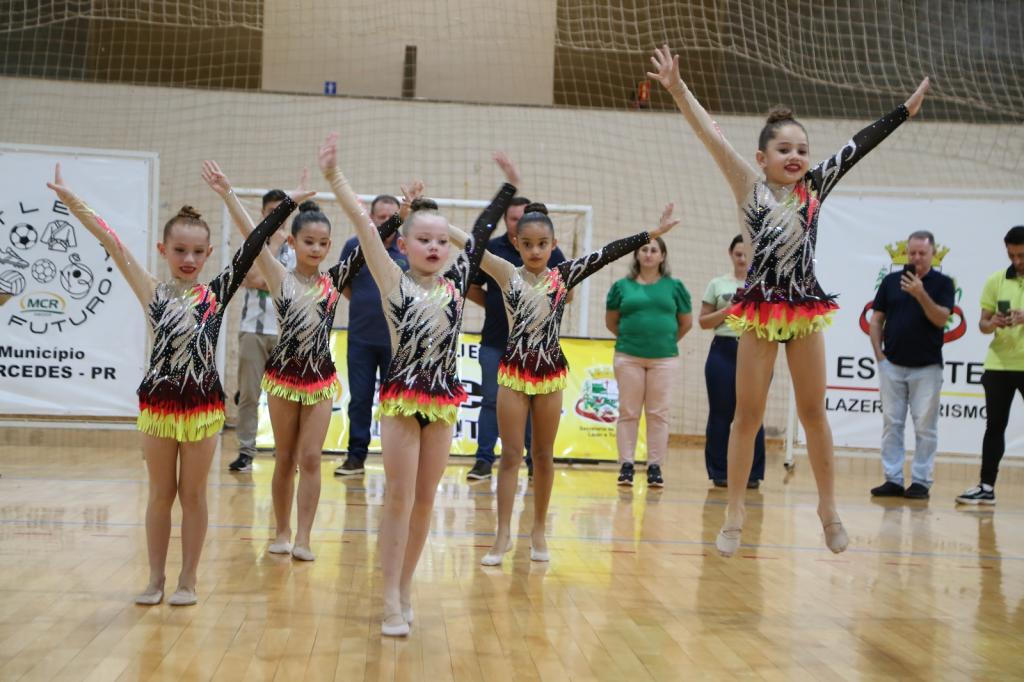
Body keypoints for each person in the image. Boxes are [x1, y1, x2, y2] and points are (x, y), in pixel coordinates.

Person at [648, 44, 929, 556]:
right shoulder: (747, 185)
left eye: (801, 148)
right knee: (747, 415)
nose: (795, 156)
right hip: (759, 310)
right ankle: (734, 512)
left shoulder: (816, 186)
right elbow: (710, 135)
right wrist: (676, 88)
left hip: (803, 308)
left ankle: (828, 508)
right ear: (762, 158)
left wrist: (904, 112)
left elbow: (859, 144)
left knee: (813, 412)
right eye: (783, 149)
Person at [47, 163, 303, 605]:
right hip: (159, 407)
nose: (188, 259)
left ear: (208, 254)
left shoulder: (217, 293)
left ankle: (188, 579)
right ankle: (154, 579)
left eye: (197, 252)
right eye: (180, 250)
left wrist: (273, 202)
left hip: (202, 406)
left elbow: (255, 242)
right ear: (163, 250)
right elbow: (110, 240)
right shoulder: (151, 290)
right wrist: (72, 202)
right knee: (161, 495)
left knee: (193, 495)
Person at [320, 132, 518, 636]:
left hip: (443, 404)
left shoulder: (456, 283)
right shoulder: (393, 280)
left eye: (440, 240)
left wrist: (507, 189)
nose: (433, 246)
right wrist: (334, 177)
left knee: (426, 500)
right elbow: (365, 228)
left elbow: (480, 232)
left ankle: (405, 586)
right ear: (403, 246)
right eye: (423, 239)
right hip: (403, 403)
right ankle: (388, 596)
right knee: (399, 499)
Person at [204, 161, 409, 561]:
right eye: (308, 241)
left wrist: (401, 214)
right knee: (284, 458)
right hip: (283, 379)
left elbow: (372, 240)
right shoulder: (278, 277)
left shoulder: (333, 280)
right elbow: (252, 234)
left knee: (310, 457)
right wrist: (231, 194)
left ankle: (304, 538)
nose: (316, 249)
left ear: (329, 247)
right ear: (293, 243)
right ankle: (281, 531)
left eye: (323, 243)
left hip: (320, 381)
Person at [476, 202, 680, 566]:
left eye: (543, 244)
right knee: (509, 456)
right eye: (527, 244)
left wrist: (653, 233)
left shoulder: (564, 275)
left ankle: (539, 530)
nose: (535, 251)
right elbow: (472, 244)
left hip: (550, 373)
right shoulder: (506, 272)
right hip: (513, 374)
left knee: (542, 454)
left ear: (553, 244)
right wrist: (434, 224)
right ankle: (502, 534)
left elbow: (609, 251)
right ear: (516, 244)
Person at [465, 197, 566, 481]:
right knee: (490, 400)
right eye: (513, 218)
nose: (519, 221)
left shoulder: (551, 252)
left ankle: (535, 461)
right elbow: (471, 286)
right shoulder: (493, 249)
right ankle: (483, 460)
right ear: (508, 222)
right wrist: (497, 306)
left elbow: (565, 292)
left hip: (535, 350)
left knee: (534, 404)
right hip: (494, 341)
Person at [869, 230, 954, 500]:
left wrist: (920, 293)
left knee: (925, 427)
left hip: (927, 368)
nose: (916, 258)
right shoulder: (890, 281)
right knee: (891, 424)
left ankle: (920, 481)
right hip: (892, 365)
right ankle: (893, 479)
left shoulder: (943, 284)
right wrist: (879, 356)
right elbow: (876, 320)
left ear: (933, 254)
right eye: (912, 253)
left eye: (922, 253)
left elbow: (941, 319)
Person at [605, 235, 692, 488]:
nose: (648, 254)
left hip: (664, 360)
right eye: (644, 249)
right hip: (628, 357)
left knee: (658, 414)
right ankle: (626, 465)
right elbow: (611, 321)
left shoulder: (675, 287)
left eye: (654, 250)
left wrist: (663, 341)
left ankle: (655, 466)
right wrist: (632, 339)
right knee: (628, 412)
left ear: (662, 256)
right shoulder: (621, 287)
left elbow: (685, 323)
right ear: (636, 255)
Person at [335, 194, 409, 476]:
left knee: (395, 402)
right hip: (361, 339)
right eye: (382, 217)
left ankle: (396, 460)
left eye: (393, 217)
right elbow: (343, 283)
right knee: (360, 399)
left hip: (396, 342)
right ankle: (356, 457)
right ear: (372, 218)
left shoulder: (406, 248)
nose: (387, 222)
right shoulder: (354, 246)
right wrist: (364, 303)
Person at [956, 225, 1024, 506]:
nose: (1016, 261)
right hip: (999, 364)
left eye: (1021, 256)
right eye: (1011, 256)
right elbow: (983, 325)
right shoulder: (996, 280)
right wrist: (993, 322)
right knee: (994, 426)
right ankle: (986, 487)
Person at [228, 189, 294, 473]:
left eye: (282, 212)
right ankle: (246, 451)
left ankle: (286, 454)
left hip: (285, 334)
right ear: (263, 214)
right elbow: (252, 277)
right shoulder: (251, 244)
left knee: (287, 398)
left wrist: (268, 279)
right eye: (272, 212)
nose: (278, 218)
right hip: (252, 331)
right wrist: (274, 245)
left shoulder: (297, 247)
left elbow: (289, 285)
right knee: (249, 396)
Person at [699, 235, 767, 489]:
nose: (742, 259)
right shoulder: (717, 284)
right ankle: (719, 472)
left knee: (753, 413)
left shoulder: (765, 286)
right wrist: (728, 310)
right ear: (730, 254)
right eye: (738, 254)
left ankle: (752, 473)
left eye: (746, 254)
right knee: (720, 413)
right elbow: (703, 322)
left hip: (756, 350)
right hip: (723, 350)